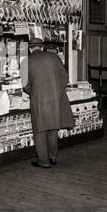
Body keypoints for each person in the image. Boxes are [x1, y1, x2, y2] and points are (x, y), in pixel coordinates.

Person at [22, 38, 74, 169]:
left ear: (30, 49)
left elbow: (25, 86)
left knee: (40, 131)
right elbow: (65, 78)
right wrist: (56, 91)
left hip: (38, 100)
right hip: (55, 100)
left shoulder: (25, 62)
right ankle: (53, 157)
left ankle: (43, 162)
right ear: (42, 47)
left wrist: (35, 92)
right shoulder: (54, 57)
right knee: (52, 129)